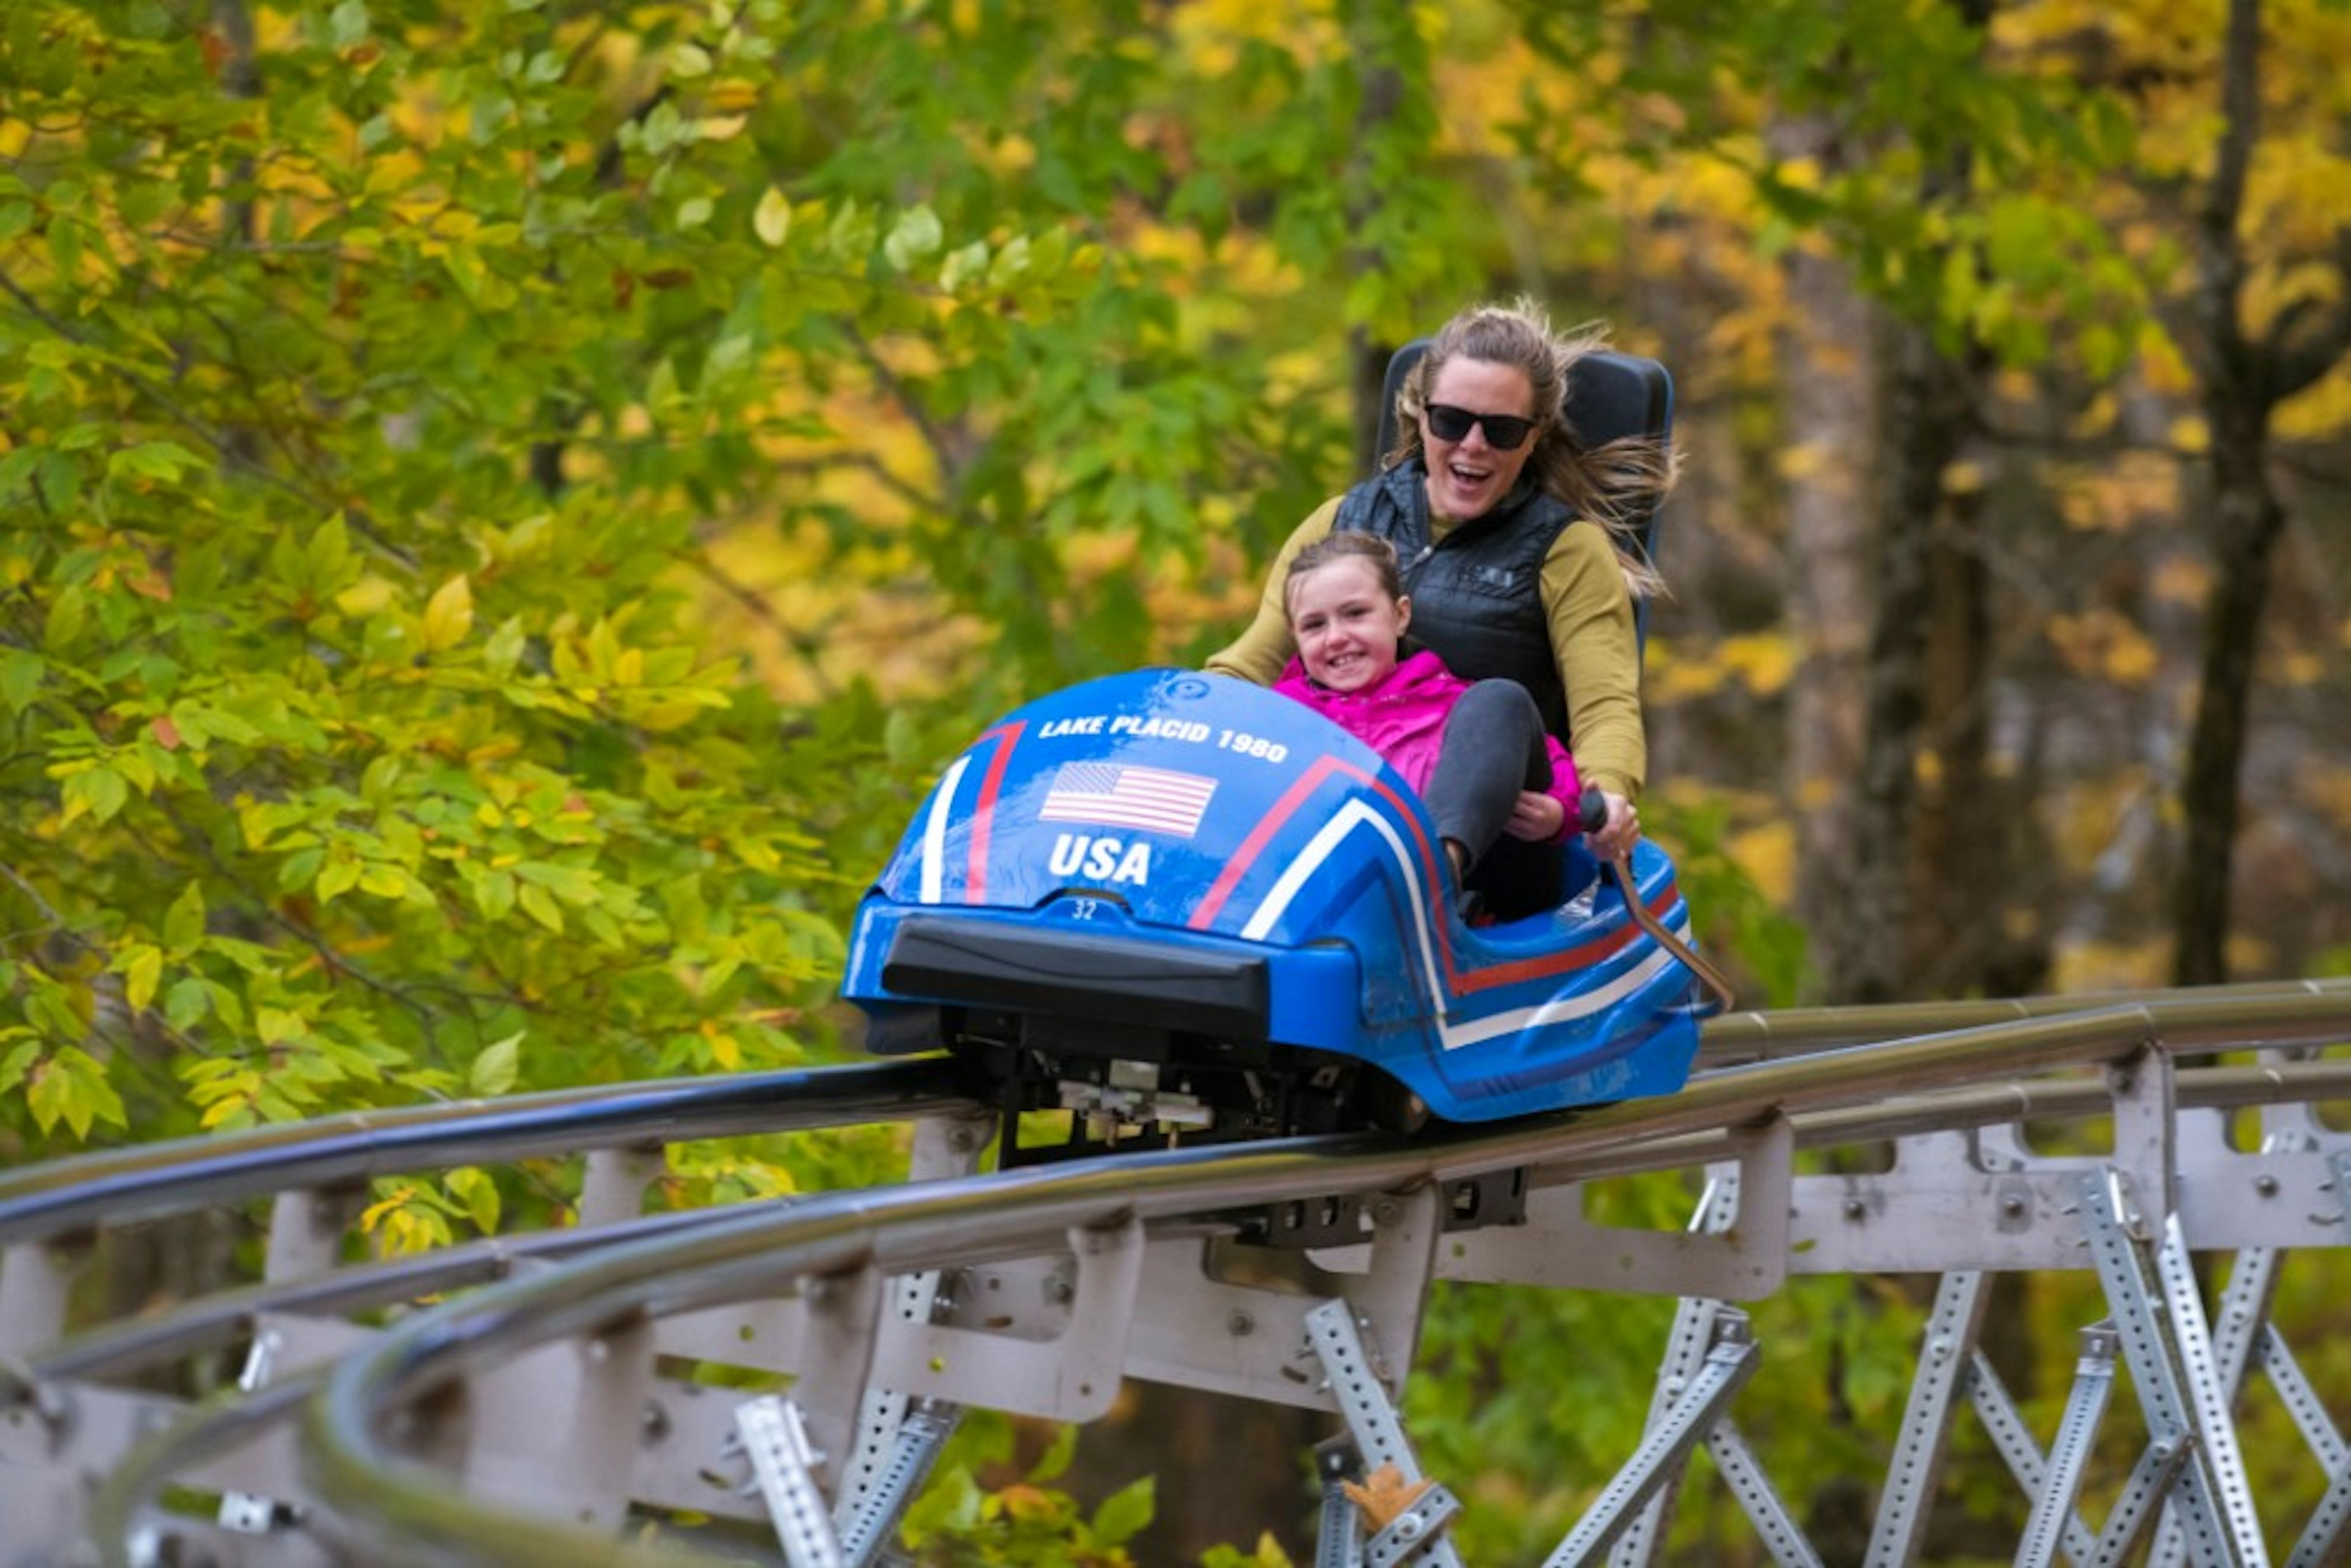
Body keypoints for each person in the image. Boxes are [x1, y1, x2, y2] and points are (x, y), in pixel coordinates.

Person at [1208, 297, 1672, 914]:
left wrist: (1605, 795)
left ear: (1532, 438)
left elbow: (1606, 705)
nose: (1473, 445)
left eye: (1501, 430)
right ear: (1421, 417)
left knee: (1499, 699)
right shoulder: (1343, 521)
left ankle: (1425, 880)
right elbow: (1247, 668)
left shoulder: (1566, 549)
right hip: (1334, 812)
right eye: (1453, 421)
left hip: (1499, 844)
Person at [1274, 533, 1579, 898]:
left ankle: (1433, 872)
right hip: (1314, 896)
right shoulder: (1280, 718)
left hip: (1466, 905)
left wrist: (1561, 812)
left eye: (1355, 614)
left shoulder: (1454, 705)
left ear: (1400, 616)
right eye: (1314, 625)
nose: (1336, 637)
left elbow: (1555, 763)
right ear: (1295, 636)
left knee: (1501, 699)